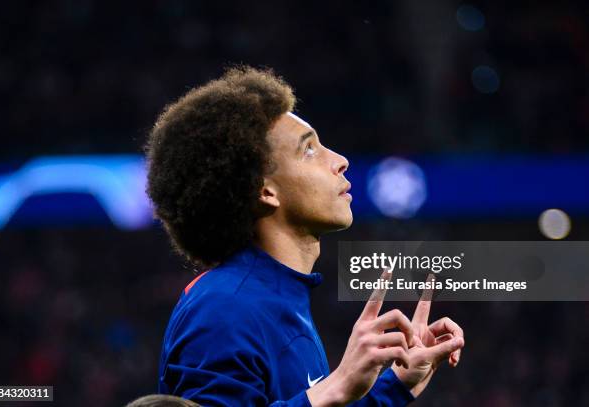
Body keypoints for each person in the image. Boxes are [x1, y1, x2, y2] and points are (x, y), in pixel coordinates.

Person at [145, 66, 464, 406]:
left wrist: (396, 385)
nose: (340, 161)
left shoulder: (276, 298)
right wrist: (337, 385)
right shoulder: (223, 308)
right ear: (264, 190)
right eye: (309, 150)